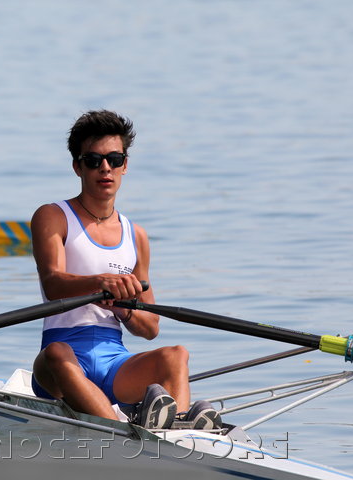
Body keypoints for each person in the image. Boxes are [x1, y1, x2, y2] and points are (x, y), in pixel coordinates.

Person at [30, 110, 221, 430]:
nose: (105, 168)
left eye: (114, 159)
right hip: (60, 364)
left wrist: (123, 309)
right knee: (57, 353)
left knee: (176, 355)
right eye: (93, 160)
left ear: (125, 165)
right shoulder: (53, 216)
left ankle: (177, 433)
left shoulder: (137, 236)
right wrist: (101, 283)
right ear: (77, 167)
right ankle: (125, 436)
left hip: (114, 362)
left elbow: (150, 328)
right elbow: (52, 283)